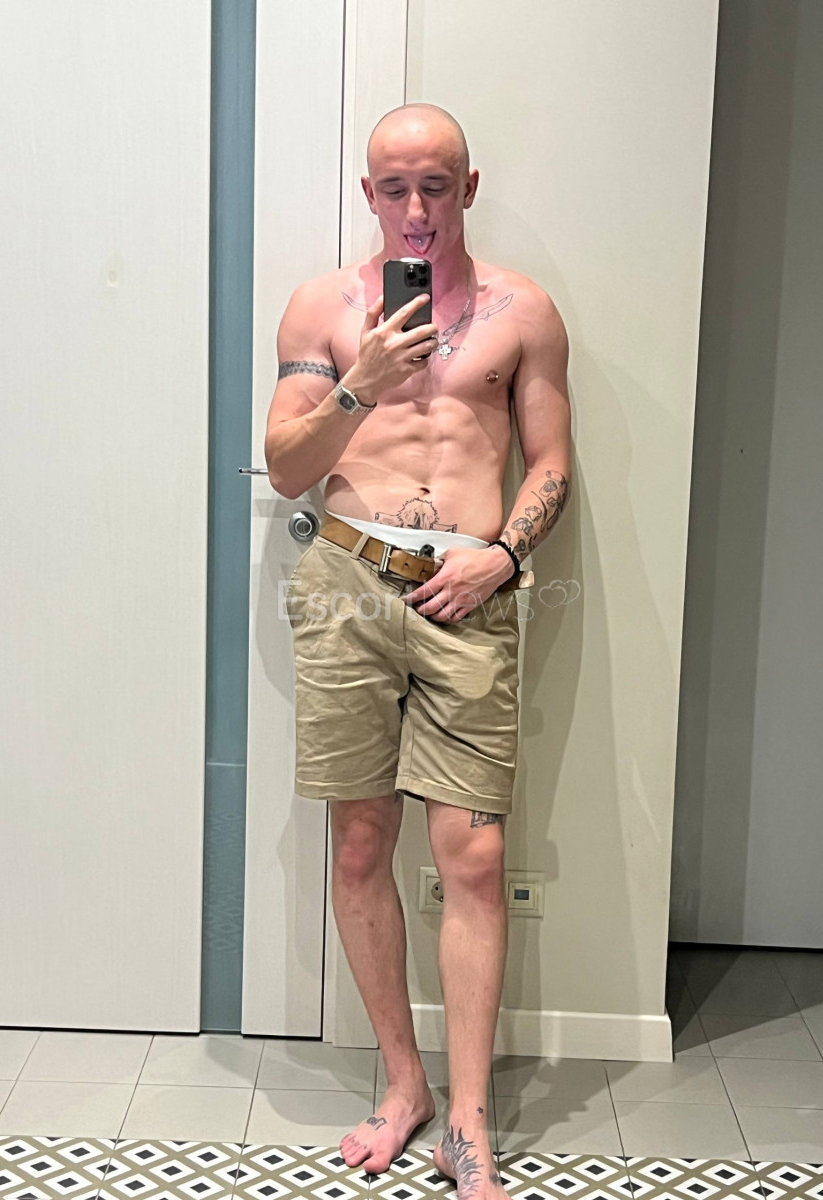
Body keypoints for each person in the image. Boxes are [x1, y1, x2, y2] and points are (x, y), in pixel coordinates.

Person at [264, 102, 571, 1200]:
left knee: (474, 858)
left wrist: (505, 555)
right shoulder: (323, 307)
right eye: (393, 188)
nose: (415, 210)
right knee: (359, 845)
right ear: (368, 194)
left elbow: (551, 462)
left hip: (468, 593)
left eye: (435, 186)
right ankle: (406, 1088)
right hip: (348, 583)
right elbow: (287, 466)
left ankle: (470, 1122)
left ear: (467, 188)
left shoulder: (523, 313)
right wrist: (360, 385)